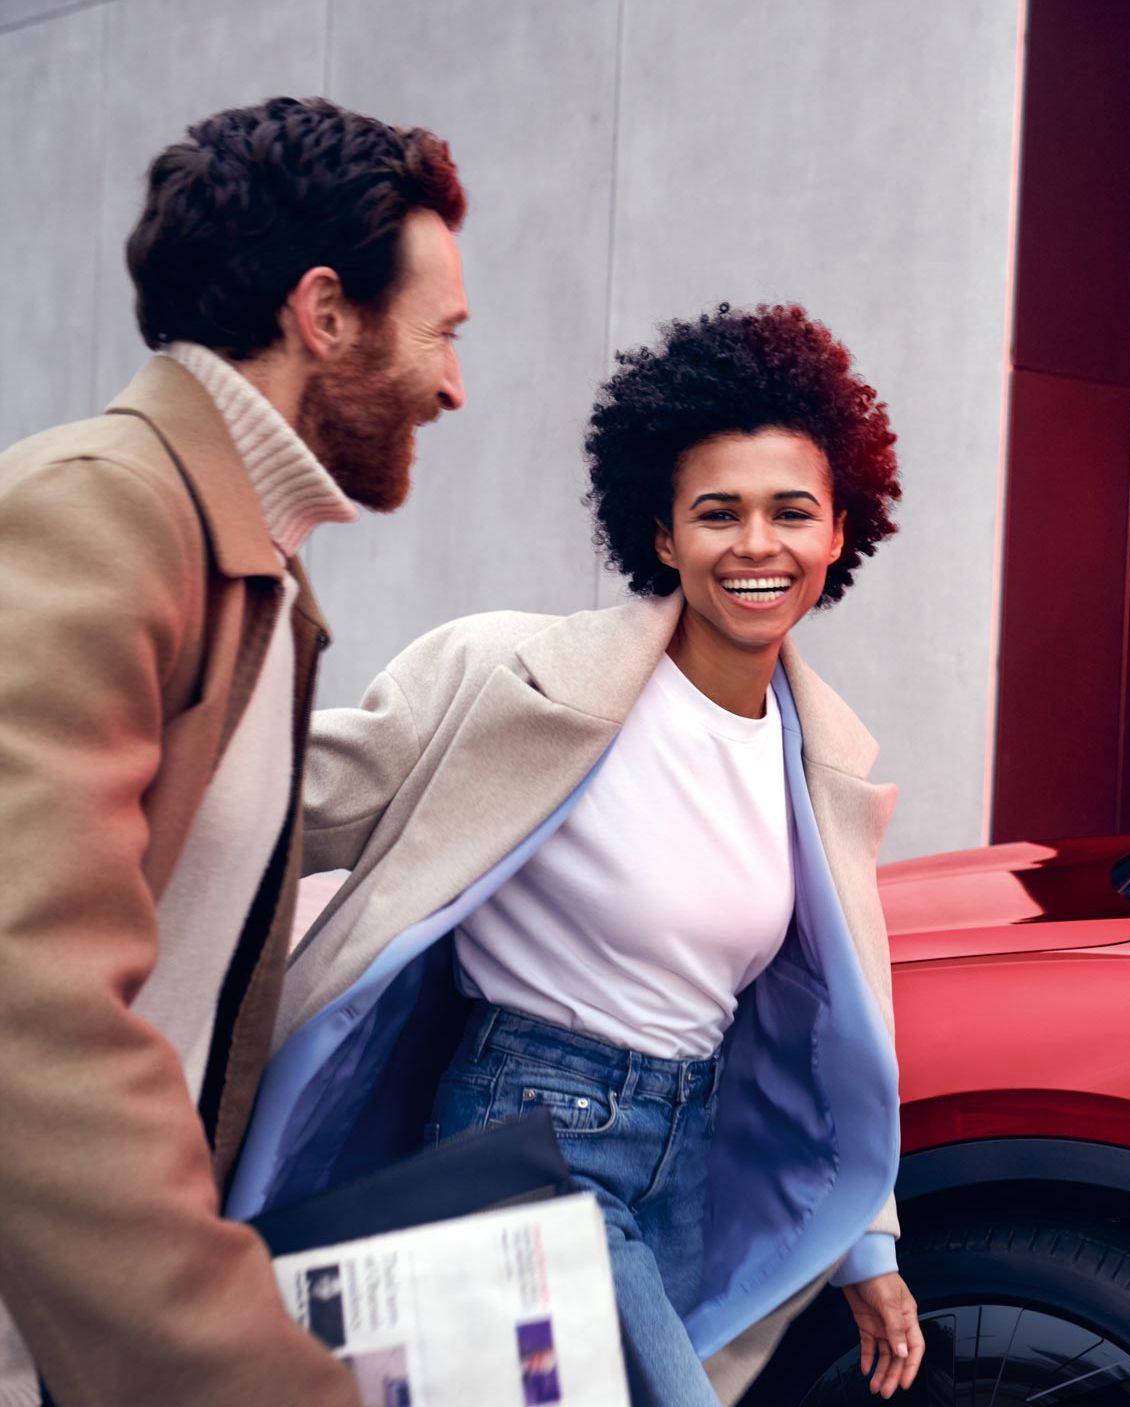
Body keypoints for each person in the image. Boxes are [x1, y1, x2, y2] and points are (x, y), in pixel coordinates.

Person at [233, 304, 922, 1404]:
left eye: (792, 512)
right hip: (529, 1135)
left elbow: (843, 1031)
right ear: (661, 535)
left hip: (682, 1158)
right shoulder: (515, 679)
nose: (757, 545)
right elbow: (282, 798)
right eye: (717, 513)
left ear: (839, 533)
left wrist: (867, 1249)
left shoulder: (820, 762)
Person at [0, 97, 467, 1407]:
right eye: (441, 333)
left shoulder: (253, 578)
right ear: (325, 314)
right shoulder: (103, 514)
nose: (453, 384)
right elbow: (33, 1013)